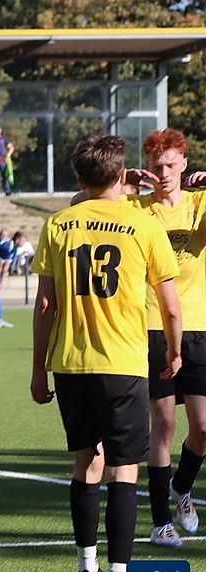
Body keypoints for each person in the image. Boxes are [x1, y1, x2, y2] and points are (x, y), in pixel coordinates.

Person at [30, 134, 181, 572]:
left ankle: (85, 567)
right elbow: (171, 307)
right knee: (124, 470)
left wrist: (38, 368)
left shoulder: (58, 224)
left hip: (70, 364)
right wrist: (174, 353)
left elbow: (46, 303)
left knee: (84, 464)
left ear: (78, 179)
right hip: (124, 364)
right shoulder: (144, 225)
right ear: (123, 176)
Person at [120, 128, 206, 547]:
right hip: (152, 326)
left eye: (171, 164)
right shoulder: (136, 207)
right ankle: (160, 522)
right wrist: (120, 182)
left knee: (203, 430)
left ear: (185, 164)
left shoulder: (200, 203)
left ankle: (181, 489)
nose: (164, 172)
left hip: (200, 327)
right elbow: (78, 203)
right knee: (165, 424)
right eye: (157, 166)